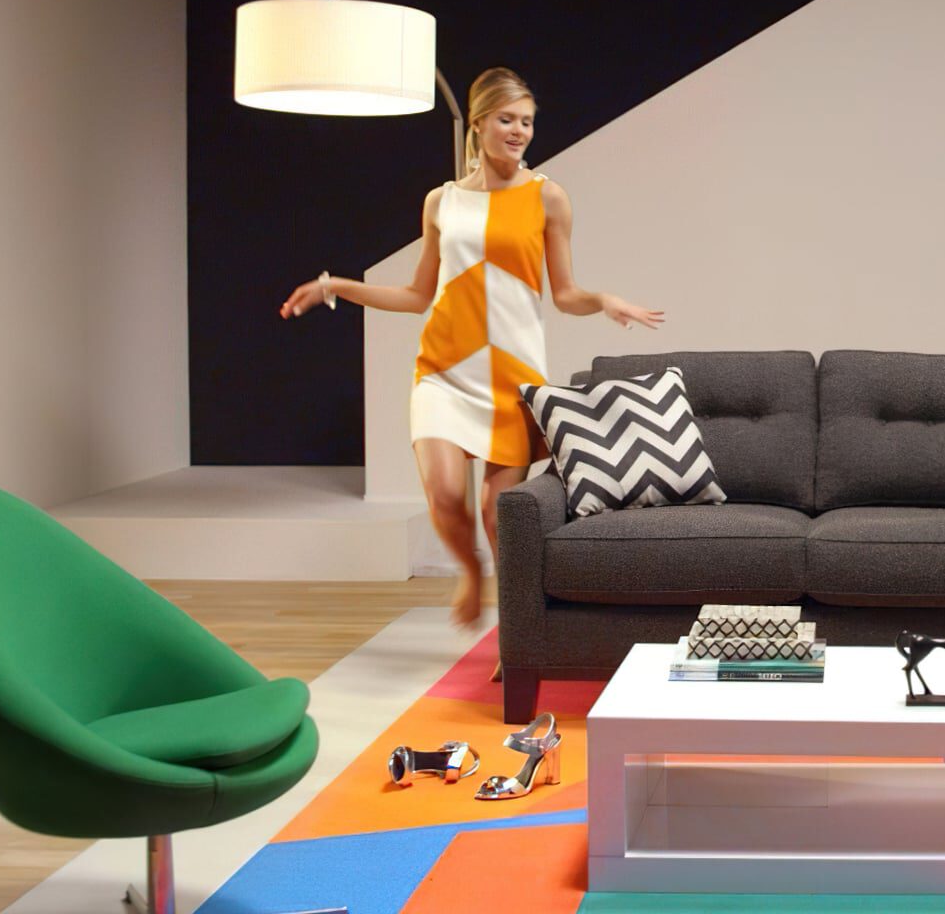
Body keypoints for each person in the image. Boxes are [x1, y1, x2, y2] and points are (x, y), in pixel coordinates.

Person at [280, 67, 664, 626]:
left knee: (497, 515)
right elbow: (417, 295)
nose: (519, 131)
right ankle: (469, 570)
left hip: (512, 375)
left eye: (527, 121)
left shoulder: (548, 197)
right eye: (507, 119)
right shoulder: (442, 201)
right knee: (443, 496)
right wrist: (336, 286)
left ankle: (516, 632)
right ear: (479, 123)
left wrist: (604, 300)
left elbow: (564, 294)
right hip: (443, 369)